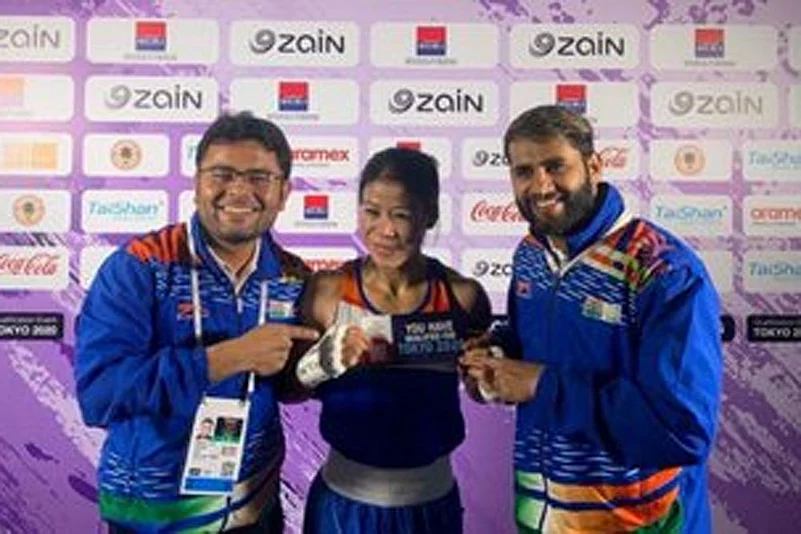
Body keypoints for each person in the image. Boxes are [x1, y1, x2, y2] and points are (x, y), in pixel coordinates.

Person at [460, 105, 722, 534]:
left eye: (555, 166)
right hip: (543, 520)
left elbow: (681, 431)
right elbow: (546, 346)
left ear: (594, 166)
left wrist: (540, 384)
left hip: (642, 525)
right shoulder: (530, 254)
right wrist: (498, 353)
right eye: (524, 171)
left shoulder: (663, 269)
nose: (540, 185)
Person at [74, 111, 319, 533]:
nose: (238, 190)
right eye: (221, 174)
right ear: (197, 183)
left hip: (253, 510)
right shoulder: (141, 266)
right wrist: (225, 358)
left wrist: (323, 366)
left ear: (284, 192)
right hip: (152, 519)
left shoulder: (292, 276)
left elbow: (285, 386)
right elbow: (99, 394)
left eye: (259, 177)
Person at [290, 147, 492, 533]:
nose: (385, 231)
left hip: (431, 504)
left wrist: (485, 379)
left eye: (401, 215)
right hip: (344, 504)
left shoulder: (462, 297)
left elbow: (481, 388)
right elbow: (289, 388)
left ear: (429, 215)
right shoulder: (328, 292)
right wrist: (319, 363)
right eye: (372, 212)